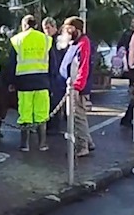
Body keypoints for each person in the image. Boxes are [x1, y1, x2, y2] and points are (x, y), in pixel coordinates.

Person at [8, 15, 53, 151]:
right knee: (42, 113)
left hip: (24, 82)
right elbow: (53, 63)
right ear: (36, 25)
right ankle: (42, 143)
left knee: (25, 113)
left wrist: (11, 82)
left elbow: (12, 63)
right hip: (42, 81)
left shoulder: (17, 40)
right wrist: (51, 82)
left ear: (24, 25)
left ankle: (25, 144)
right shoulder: (46, 39)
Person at [60, 16, 95, 157]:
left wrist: (77, 87)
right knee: (78, 116)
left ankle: (82, 146)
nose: (66, 32)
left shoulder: (83, 44)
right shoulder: (75, 43)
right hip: (72, 86)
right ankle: (88, 142)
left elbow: (83, 67)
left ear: (77, 29)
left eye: (69, 29)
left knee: (77, 116)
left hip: (76, 88)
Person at [44, 17, 67, 133]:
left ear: (54, 27)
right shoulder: (45, 41)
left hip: (57, 75)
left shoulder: (59, 41)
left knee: (56, 101)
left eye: (48, 28)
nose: (46, 31)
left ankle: (54, 127)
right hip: (48, 75)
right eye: (45, 28)